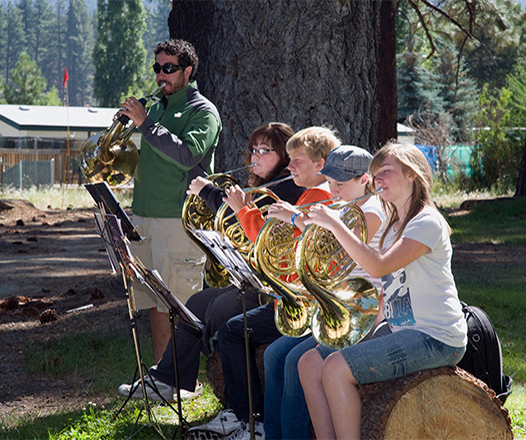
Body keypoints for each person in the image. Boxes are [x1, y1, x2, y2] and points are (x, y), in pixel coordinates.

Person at [118, 123, 304, 403]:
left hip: (275, 289)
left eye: (265, 151)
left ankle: (234, 405)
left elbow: (247, 226)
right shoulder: (263, 186)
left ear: (284, 155)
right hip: (255, 280)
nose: (255, 156)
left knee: (218, 309)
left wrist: (209, 192)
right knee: (196, 303)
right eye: (253, 149)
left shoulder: (287, 188)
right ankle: (170, 379)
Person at [298, 142, 468, 440]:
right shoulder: (393, 223)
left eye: (385, 172)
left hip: (436, 336)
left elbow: (378, 267)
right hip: (398, 327)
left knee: (337, 368)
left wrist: (336, 224)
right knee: (310, 362)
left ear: (412, 174)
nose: (377, 180)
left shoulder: (426, 222)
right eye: (375, 174)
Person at [193, 126, 341, 440]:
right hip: (290, 298)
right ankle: (259, 424)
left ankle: (251, 420)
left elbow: (272, 245)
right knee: (244, 336)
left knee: (234, 331)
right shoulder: (309, 194)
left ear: (320, 163)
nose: (289, 166)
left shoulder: (317, 198)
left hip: (302, 304)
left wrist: (242, 209)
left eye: (297, 160)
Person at [261, 145, 388, 440]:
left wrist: (299, 220)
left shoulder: (372, 210)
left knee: (296, 360)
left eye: (340, 184)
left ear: (365, 180)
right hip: (342, 303)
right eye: (330, 182)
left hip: (367, 308)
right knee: (292, 358)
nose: (333, 189)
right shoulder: (346, 207)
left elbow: (340, 248)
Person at [119, 39, 222, 363]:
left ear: (187, 71)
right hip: (145, 217)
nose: (161, 75)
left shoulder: (202, 111)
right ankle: (162, 376)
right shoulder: (158, 106)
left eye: (169, 69)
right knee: (154, 303)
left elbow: (187, 154)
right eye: (157, 68)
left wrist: (145, 125)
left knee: (180, 304)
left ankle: (182, 378)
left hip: (177, 220)